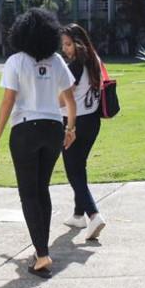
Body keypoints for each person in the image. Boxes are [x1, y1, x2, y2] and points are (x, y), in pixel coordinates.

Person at [0, 8, 77, 279]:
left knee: (28, 193)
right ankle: (42, 249)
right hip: (53, 128)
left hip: (25, 128)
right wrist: (70, 127)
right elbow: (70, 100)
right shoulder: (57, 61)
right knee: (42, 190)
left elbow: (8, 102)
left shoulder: (16, 61)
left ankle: (41, 254)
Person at [60, 24, 107, 240]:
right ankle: (79, 215)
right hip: (93, 122)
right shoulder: (95, 60)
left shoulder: (75, 66)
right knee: (80, 166)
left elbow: (62, 98)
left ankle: (93, 214)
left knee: (73, 171)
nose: (65, 49)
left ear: (78, 43)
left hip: (74, 123)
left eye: (68, 44)